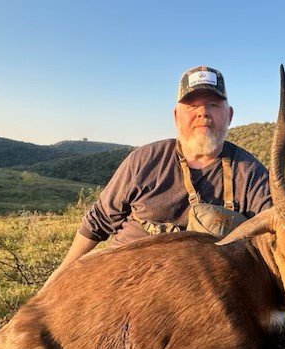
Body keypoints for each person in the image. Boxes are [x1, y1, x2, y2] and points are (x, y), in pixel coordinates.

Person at [44, 65, 271, 286]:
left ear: (229, 115)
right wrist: (57, 279)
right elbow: (98, 222)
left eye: (213, 104)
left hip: (202, 292)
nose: (203, 112)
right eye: (192, 106)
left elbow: (274, 235)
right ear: (176, 116)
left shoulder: (251, 173)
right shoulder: (144, 160)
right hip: (121, 280)